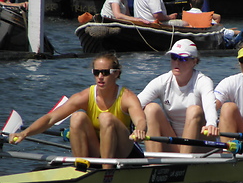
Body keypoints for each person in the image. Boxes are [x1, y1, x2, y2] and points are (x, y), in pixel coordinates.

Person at [9, 53, 147, 169]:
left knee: (106, 117)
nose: (100, 76)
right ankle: (81, 168)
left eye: (105, 72)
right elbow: (51, 118)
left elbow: (140, 119)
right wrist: (25, 133)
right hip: (98, 150)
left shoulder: (127, 96)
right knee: (77, 117)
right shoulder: (85, 96)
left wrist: (139, 130)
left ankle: (106, 173)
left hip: (125, 152)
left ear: (116, 73)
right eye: (96, 72)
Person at [137, 39, 219, 153]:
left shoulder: (203, 81)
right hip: (174, 143)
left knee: (194, 110)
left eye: (183, 58)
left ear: (194, 61)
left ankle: (183, 165)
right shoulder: (162, 81)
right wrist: (137, 126)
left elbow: (210, 105)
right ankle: (153, 164)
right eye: (174, 57)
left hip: (200, 143)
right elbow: (135, 105)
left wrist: (211, 123)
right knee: (151, 109)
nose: (177, 62)